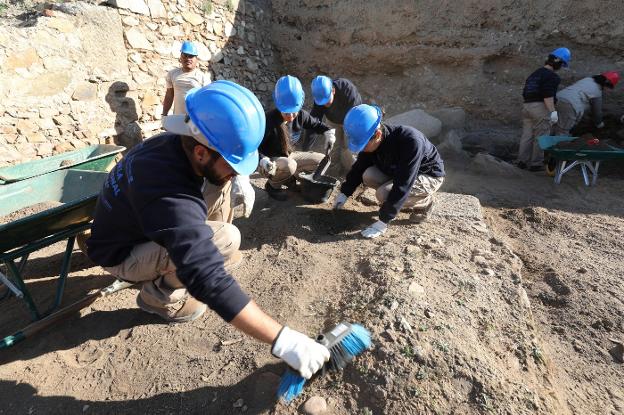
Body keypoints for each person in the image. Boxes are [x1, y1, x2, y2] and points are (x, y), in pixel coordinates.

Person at [85, 81, 329, 380]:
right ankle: (158, 297)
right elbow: (206, 279)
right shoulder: (167, 192)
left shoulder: (173, 146)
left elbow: (214, 178)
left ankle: (190, 254)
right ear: (201, 152)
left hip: (139, 226)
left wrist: (230, 177)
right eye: (234, 161)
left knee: (219, 185)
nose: (240, 171)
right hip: (122, 255)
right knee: (226, 239)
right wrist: (285, 341)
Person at [333, 104, 445, 239]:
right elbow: (359, 166)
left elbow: (403, 182)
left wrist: (383, 222)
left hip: (428, 175)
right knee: (368, 175)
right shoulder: (373, 141)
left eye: (363, 144)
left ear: (378, 134)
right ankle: (395, 200)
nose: (361, 149)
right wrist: (344, 193)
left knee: (383, 194)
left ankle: (425, 202)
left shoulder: (410, 142)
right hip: (398, 171)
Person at [259, 75, 336, 201]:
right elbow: (255, 147)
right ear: (278, 105)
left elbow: (317, 124)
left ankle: (292, 180)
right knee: (290, 165)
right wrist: (263, 160)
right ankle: (272, 186)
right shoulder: (269, 120)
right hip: (272, 161)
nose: (290, 116)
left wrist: (329, 133)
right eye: (286, 112)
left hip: (290, 155)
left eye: (293, 111)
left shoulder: (301, 116)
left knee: (322, 160)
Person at [517, 47, 571, 171]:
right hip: (540, 108)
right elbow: (548, 95)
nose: (561, 67)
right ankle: (536, 164)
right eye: (562, 64)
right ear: (557, 62)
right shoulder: (552, 77)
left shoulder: (534, 74)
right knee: (541, 136)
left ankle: (521, 161)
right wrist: (553, 112)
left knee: (527, 136)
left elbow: (526, 92)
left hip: (527, 106)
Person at [307, 75, 362, 172]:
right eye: (322, 102)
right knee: (332, 147)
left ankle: (353, 173)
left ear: (333, 90)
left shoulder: (347, 90)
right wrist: (306, 149)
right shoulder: (320, 97)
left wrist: (347, 134)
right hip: (332, 120)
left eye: (327, 100)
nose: (325, 104)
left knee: (348, 148)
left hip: (351, 120)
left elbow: (356, 115)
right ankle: (333, 172)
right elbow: (313, 123)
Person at [553, 71, 620, 136]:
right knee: (563, 130)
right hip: (569, 104)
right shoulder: (597, 92)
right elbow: (597, 112)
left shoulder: (587, 79)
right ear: (607, 84)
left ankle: (548, 139)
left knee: (552, 123)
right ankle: (558, 145)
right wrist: (599, 124)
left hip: (556, 98)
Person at [162, 41, 211, 116]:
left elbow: (207, 100)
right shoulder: (172, 74)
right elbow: (169, 96)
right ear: (180, 57)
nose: (188, 59)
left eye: (191, 56)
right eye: (185, 55)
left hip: (195, 120)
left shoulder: (203, 77)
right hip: (178, 118)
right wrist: (164, 114)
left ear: (196, 59)